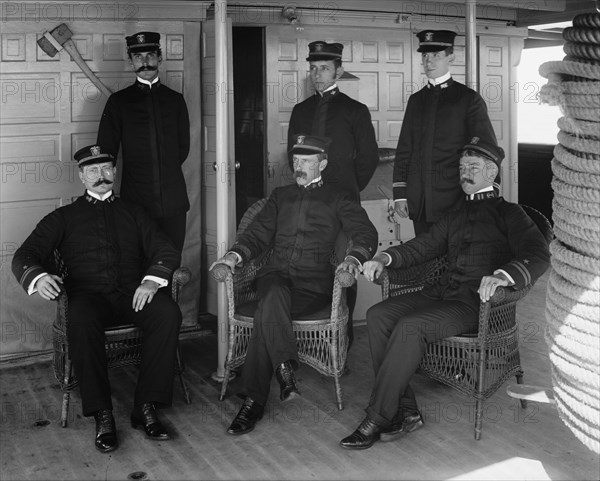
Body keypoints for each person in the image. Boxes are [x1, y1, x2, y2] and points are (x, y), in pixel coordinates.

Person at [340, 138, 550, 450]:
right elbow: (421, 247)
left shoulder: (511, 214)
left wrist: (502, 276)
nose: (465, 173)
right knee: (378, 315)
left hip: (476, 305)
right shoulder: (455, 214)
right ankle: (407, 411)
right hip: (440, 294)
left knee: (410, 328)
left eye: (473, 167)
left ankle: (379, 416)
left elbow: (538, 254)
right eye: (463, 167)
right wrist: (385, 258)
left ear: (492, 173)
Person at [12, 145, 183, 454]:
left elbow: (165, 249)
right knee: (81, 318)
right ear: (81, 176)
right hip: (87, 296)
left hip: (132, 294)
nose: (101, 176)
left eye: (106, 170)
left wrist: (149, 281)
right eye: (93, 171)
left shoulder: (134, 212)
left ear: (114, 172)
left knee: (168, 313)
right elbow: (25, 254)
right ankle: (102, 414)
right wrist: (40, 276)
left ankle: (145, 407)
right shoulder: (63, 217)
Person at [211, 135, 378, 436]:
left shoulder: (340, 197)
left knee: (267, 310)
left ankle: (254, 400)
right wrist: (234, 257)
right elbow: (257, 234)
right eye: (296, 161)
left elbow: (364, 232)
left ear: (323, 164)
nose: (298, 166)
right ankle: (282, 371)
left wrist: (353, 259)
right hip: (274, 276)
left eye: (307, 162)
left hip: (313, 286)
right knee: (273, 292)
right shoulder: (280, 196)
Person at [287, 40, 380, 345]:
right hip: (308, 204)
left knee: (344, 266)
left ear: (338, 71)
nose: (317, 74)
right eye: (313, 68)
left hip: (343, 203)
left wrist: (348, 190)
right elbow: (293, 156)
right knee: (310, 266)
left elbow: (368, 158)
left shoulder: (355, 111)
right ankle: (311, 336)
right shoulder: (301, 110)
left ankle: (342, 340)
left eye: (324, 68)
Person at [393, 30, 497, 236]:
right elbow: (405, 149)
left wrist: (484, 192)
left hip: (455, 198)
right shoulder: (416, 101)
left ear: (451, 57)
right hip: (420, 200)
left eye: (436, 55)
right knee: (422, 258)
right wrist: (400, 194)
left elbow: (487, 149)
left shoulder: (468, 99)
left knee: (455, 260)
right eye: (425, 56)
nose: (428, 61)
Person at [97, 31, 190, 252]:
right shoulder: (118, 102)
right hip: (136, 203)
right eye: (138, 57)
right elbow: (106, 152)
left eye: (150, 55)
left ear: (160, 58)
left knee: (172, 262)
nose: (145, 62)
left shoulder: (175, 100)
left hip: (174, 201)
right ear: (131, 62)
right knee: (138, 263)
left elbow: (183, 148)